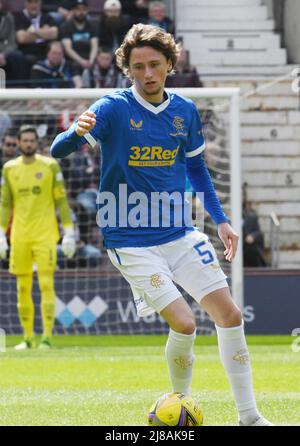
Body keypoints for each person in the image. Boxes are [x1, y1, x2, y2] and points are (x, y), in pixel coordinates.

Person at [50, 24, 273, 426]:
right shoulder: (112, 107)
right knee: (185, 322)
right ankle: (178, 411)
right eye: (138, 66)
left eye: (155, 64)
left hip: (180, 232)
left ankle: (250, 417)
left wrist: (220, 221)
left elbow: (197, 168)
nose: (147, 73)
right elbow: (58, 150)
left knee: (231, 316)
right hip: (129, 237)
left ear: (170, 63)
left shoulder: (184, 111)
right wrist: (74, 131)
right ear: (128, 69)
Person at [0, 124, 76, 350]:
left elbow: (61, 201)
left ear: (37, 143)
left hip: (46, 234)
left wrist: (69, 232)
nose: (28, 144)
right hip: (20, 236)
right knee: (22, 288)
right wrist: (1, 235)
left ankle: (46, 337)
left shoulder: (50, 166)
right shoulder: (9, 169)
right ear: (19, 143)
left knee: (45, 284)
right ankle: (27, 337)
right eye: (25, 141)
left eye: (32, 140)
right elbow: (5, 204)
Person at [14, 0, 58, 80]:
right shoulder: (18, 17)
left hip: (45, 52)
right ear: (25, 3)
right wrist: (44, 32)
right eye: (30, 2)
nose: (33, 5)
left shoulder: (47, 17)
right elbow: (21, 38)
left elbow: (54, 34)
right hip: (26, 52)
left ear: (40, 3)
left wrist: (34, 31)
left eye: (36, 2)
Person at [60, 0, 98, 74]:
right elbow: (68, 49)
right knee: (75, 66)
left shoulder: (92, 26)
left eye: (84, 9)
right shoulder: (66, 27)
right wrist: (82, 61)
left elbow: (95, 46)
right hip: (72, 60)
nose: (81, 12)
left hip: (89, 58)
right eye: (78, 9)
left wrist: (91, 60)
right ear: (73, 11)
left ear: (87, 11)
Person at [0, 0, 27, 86]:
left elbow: (12, 43)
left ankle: (17, 91)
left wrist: (3, 54)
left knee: (18, 56)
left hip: (4, 51)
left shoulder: (8, 17)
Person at [242, 186, 267, 268]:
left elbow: (258, 232)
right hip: (231, 248)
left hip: (247, 248)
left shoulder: (251, 215)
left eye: (242, 195)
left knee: (253, 251)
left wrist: (252, 236)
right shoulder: (224, 214)